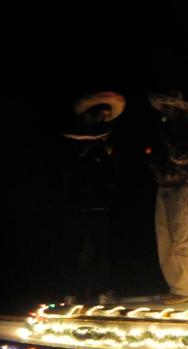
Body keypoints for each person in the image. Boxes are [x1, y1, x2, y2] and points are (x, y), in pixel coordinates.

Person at [59, 91, 125, 305]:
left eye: (107, 116)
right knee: (77, 249)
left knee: (101, 251)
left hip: (101, 203)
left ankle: (102, 290)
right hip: (79, 202)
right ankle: (73, 291)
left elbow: (112, 171)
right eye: (101, 115)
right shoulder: (76, 139)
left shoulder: (106, 144)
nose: (105, 119)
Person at [147, 93, 188, 304]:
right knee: (165, 238)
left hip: (180, 187)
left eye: (167, 107)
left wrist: (163, 143)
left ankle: (184, 289)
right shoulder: (168, 130)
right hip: (165, 186)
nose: (164, 110)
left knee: (179, 239)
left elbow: (183, 157)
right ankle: (176, 287)